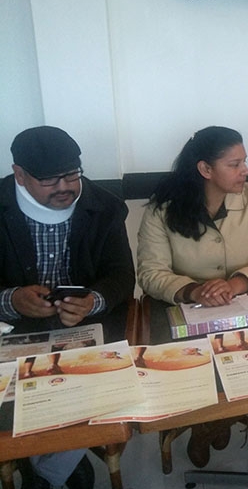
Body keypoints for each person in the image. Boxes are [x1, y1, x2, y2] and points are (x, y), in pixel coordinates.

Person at [137, 126, 248, 467]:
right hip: (187, 311)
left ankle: (213, 423)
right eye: (234, 164)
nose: (245, 170)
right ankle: (210, 420)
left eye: (244, 161)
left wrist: (237, 283)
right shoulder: (162, 209)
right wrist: (192, 290)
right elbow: (150, 272)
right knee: (193, 363)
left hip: (245, 303)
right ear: (205, 169)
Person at [0, 126, 135, 489]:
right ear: (19, 175)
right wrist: (11, 300)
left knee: (103, 383)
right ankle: (57, 462)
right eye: (49, 179)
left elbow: (122, 276)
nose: (64, 187)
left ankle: (46, 471)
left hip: (84, 327)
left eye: (72, 175)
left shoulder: (104, 206)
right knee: (17, 398)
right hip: (12, 331)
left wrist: (92, 301)